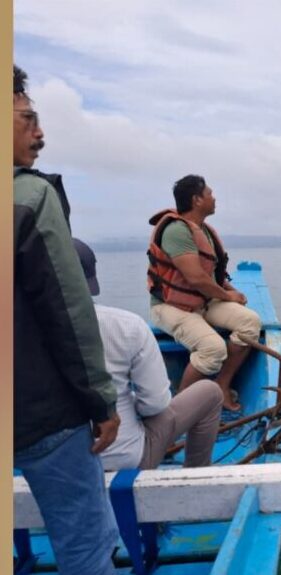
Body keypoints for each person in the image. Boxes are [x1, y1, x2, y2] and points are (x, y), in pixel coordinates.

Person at [13, 64, 120, 575]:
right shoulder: (30, 197)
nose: (40, 133)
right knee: (86, 544)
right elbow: (70, 314)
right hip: (42, 415)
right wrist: (100, 401)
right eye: (27, 118)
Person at [73, 238, 224, 470]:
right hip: (126, 459)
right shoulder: (126, 326)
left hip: (49, 468)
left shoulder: (16, 332)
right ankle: (196, 474)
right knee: (210, 392)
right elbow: (154, 404)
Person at [147, 174, 262, 411]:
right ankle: (178, 411)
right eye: (209, 193)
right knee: (213, 349)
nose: (214, 197)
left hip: (202, 301)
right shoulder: (176, 231)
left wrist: (231, 290)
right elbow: (195, 278)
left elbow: (210, 275)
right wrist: (227, 296)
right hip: (170, 306)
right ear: (197, 200)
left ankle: (222, 384)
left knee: (250, 322)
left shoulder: (202, 229)